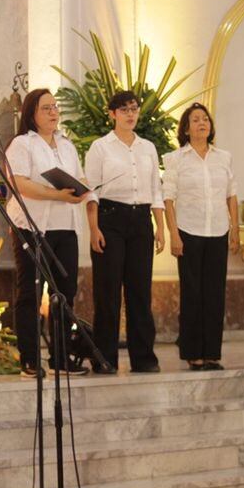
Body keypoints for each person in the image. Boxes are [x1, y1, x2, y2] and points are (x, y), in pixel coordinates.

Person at [4, 88, 92, 378]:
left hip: (65, 225)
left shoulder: (66, 145)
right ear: (32, 114)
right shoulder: (22, 144)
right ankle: (29, 360)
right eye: (46, 108)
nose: (54, 112)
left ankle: (60, 358)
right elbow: (20, 185)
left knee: (64, 293)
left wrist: (81, 190)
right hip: (31, 226)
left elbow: (78, 177)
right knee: (30, 292)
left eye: (55, 107)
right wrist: (58, 194)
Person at [84, 91, 167, 375]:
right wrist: (94, 229)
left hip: (141, 219)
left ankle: (143, 358)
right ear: (112, 114)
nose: (130, 114)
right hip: (110, 218)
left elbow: (156, 189)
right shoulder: (100, 147)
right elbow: (91, 192)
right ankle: (104, 357)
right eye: (124, 110)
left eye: (134, 109)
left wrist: (161, 228)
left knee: (140, 292)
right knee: (107, 292)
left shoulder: (148, 148)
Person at [163, 103, 238, 371]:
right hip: (189, 231)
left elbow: (231, 194)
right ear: (186, 128)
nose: (202, 123)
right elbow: (168, 199)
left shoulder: (223, 157)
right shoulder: (175, 159)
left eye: (205, 119)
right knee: (192, 293)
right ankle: (193, 352)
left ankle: (211, 353)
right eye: (195, 120)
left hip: (217, 229)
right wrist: (174, 234)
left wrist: (235, 230)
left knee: (215, 294)